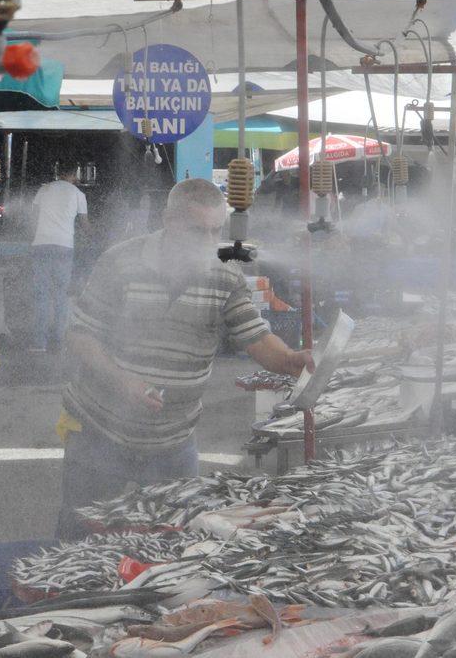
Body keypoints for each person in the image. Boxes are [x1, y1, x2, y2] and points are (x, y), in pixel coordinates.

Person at [57, 178, 314, 538]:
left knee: (175, 541)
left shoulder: (225, 273)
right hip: (100, 431)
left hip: (173, 442)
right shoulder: (120, 261)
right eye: (198, 231)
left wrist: (290, 360)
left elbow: (255, 336)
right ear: (168, 220)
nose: (209, 243)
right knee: (80, 535)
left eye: (215, 231)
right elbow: (79, 335)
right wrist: (124, 381)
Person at [31, 156, 88, 353]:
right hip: (64, 247)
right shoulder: (78, 194)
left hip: (41, 245)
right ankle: (61, 342)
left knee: (42, 296)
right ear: (75, 174)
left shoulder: (44, 189)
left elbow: (34, 216)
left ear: (59, 172)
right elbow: (85, 225)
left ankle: (40, 343)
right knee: (61, 295)